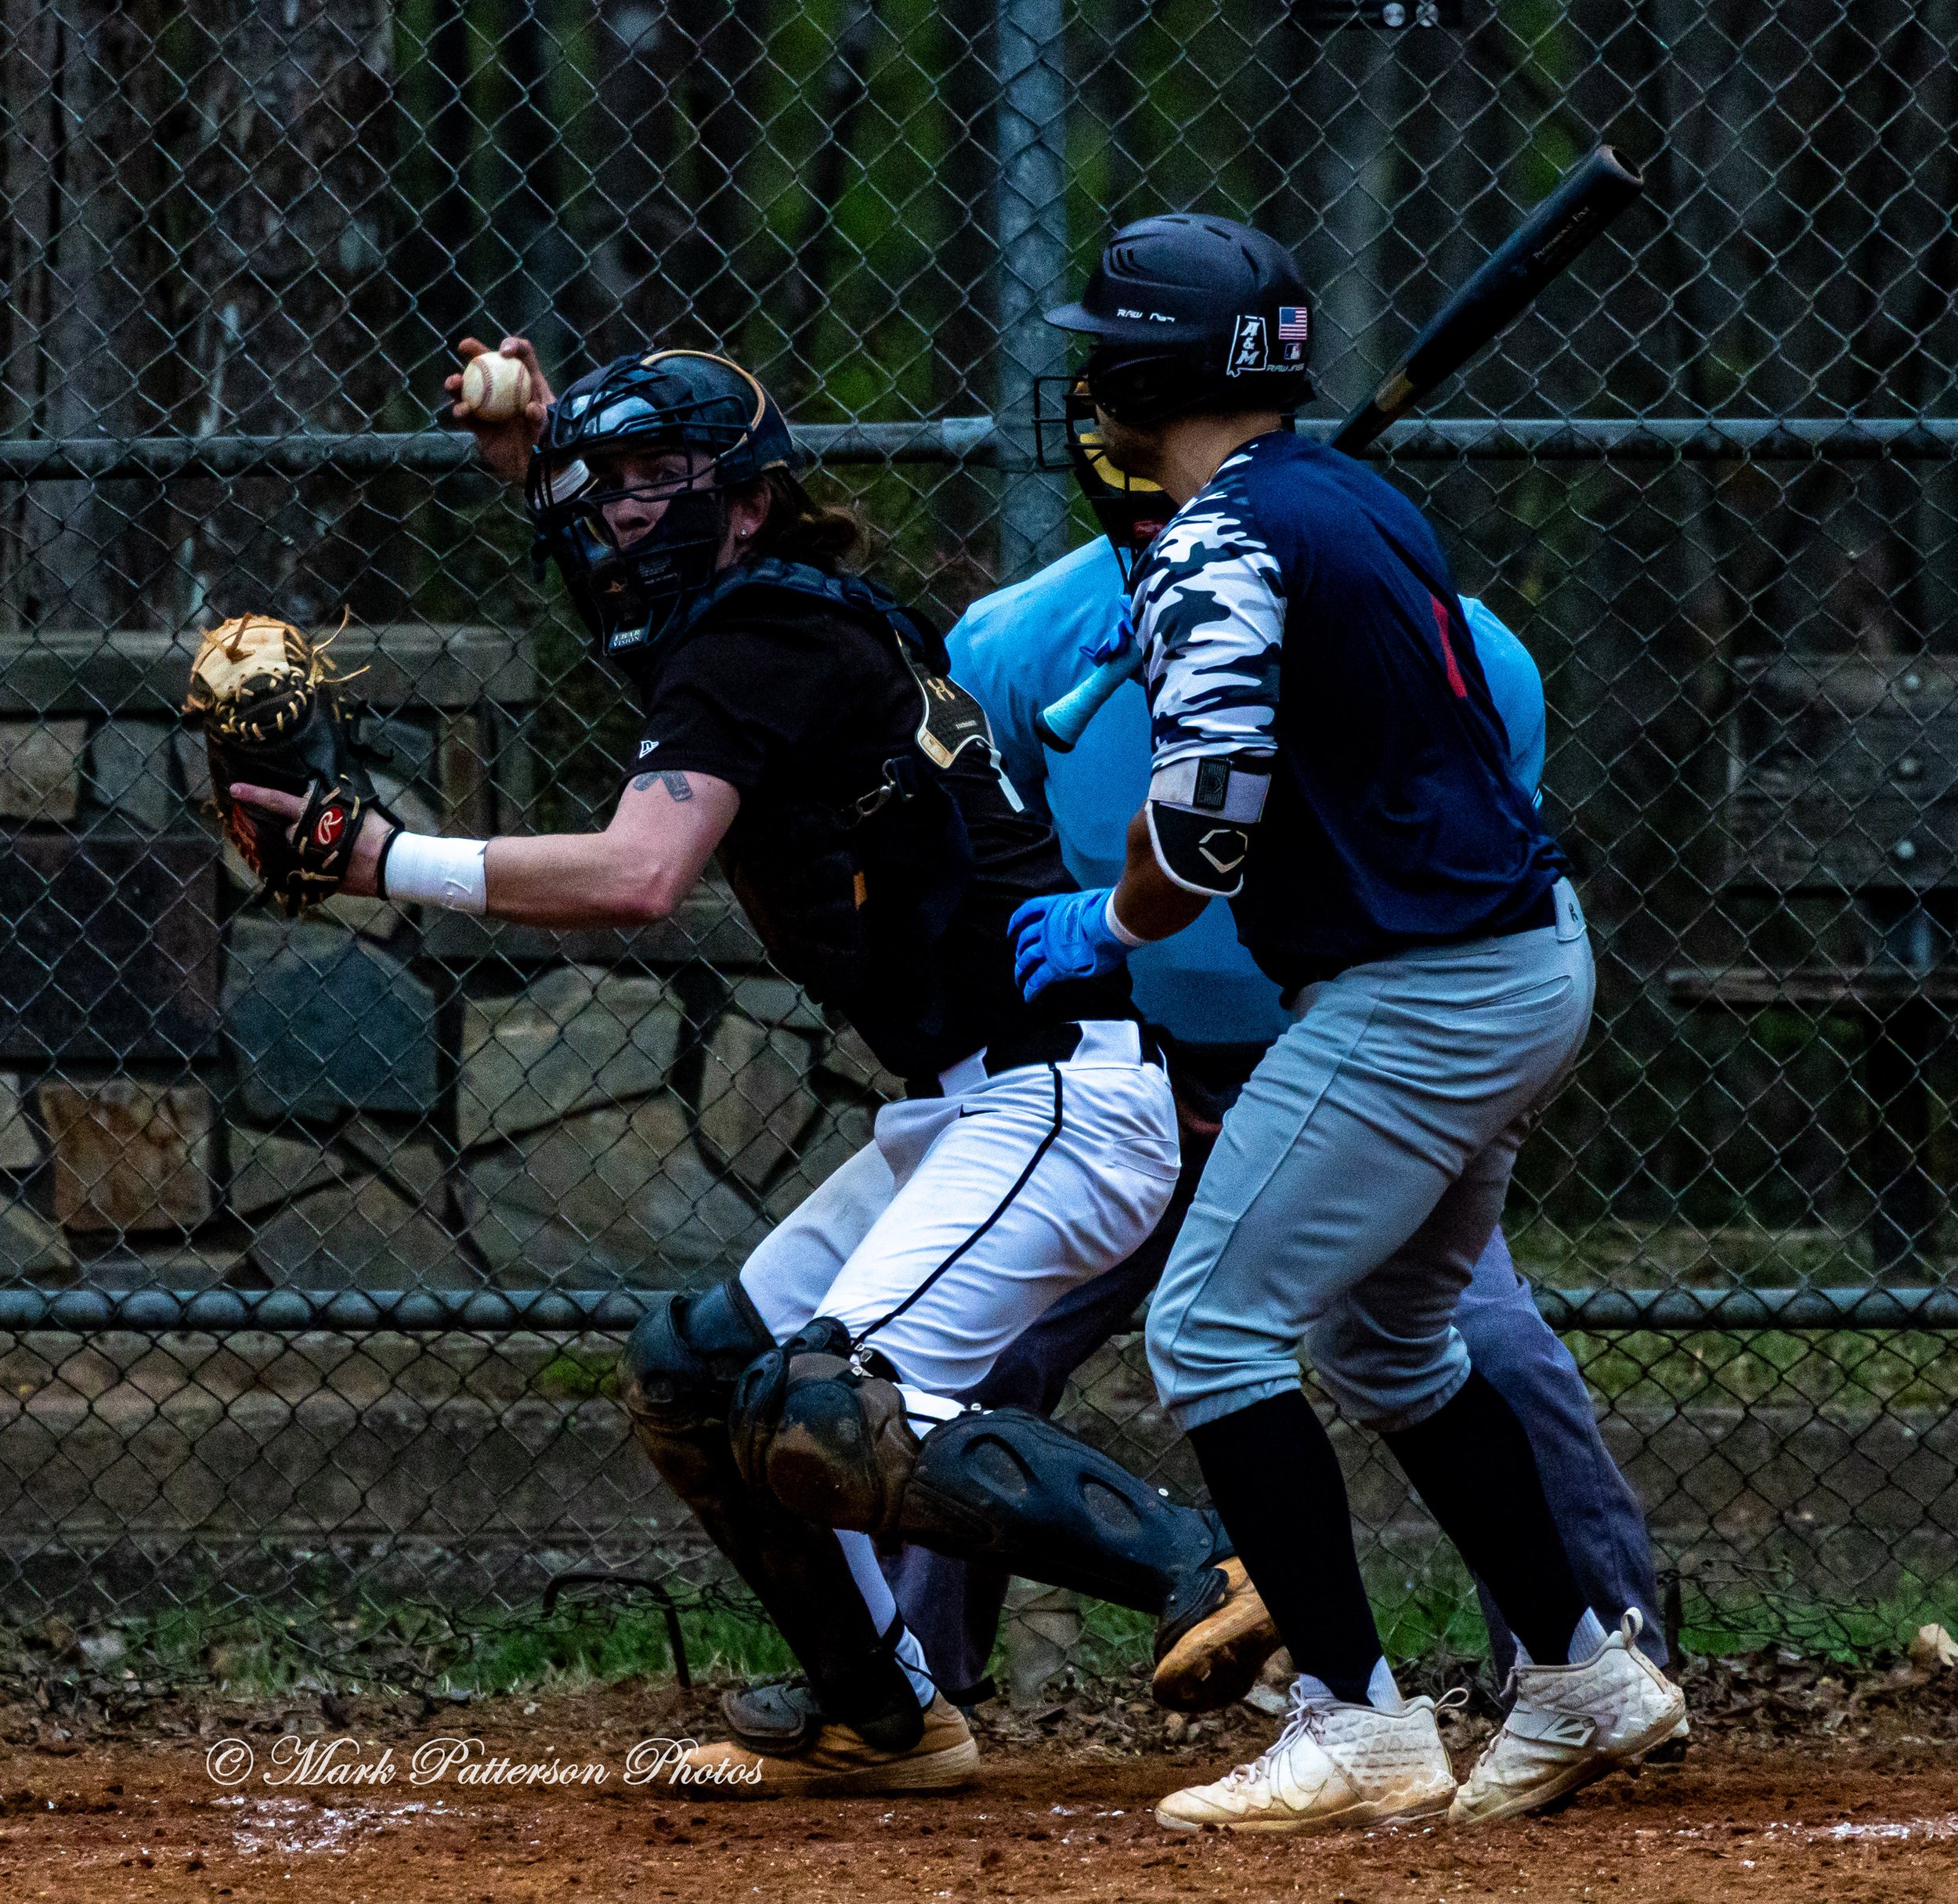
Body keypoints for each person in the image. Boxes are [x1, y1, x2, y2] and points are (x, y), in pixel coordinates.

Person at [229, 338, 1267, 1795]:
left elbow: (641, 875)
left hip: (1056, 1096)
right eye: (611, 490)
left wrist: (379, 856)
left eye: (662, 485)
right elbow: (617, 569)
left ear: (752, 504)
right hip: (975, 1096)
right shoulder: (753, 620)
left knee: (830, 1405)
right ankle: (880, 1715)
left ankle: (1211, 1562)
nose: (622, 514)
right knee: (703, 1370)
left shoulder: (759, 636)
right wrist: (537, 443)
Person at [1010, 215, 1685, 1832]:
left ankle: (1348, 1713)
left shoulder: (1223, 542)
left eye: (1105, 353)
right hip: (1520, 961)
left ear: (1155, 369)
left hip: (1424, 986)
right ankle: (1581, 1667)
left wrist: (1104, 917)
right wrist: (1188, 615)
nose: (1088, 381)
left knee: (1205, 1327)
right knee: (1384, 1338)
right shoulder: (1330, 502)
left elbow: (1203, 834)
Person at [891, 507, 1663, 1709]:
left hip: (1354, 1070)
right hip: (1122, 1079)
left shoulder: (1466, 654)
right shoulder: (1020, 642)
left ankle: (1604, 1665)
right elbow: (981, 876)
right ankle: (903, 1692)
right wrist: (1114, 1058)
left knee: (1487, 1343)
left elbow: (1455, 920)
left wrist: (1311, 1079)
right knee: (973, 1347)